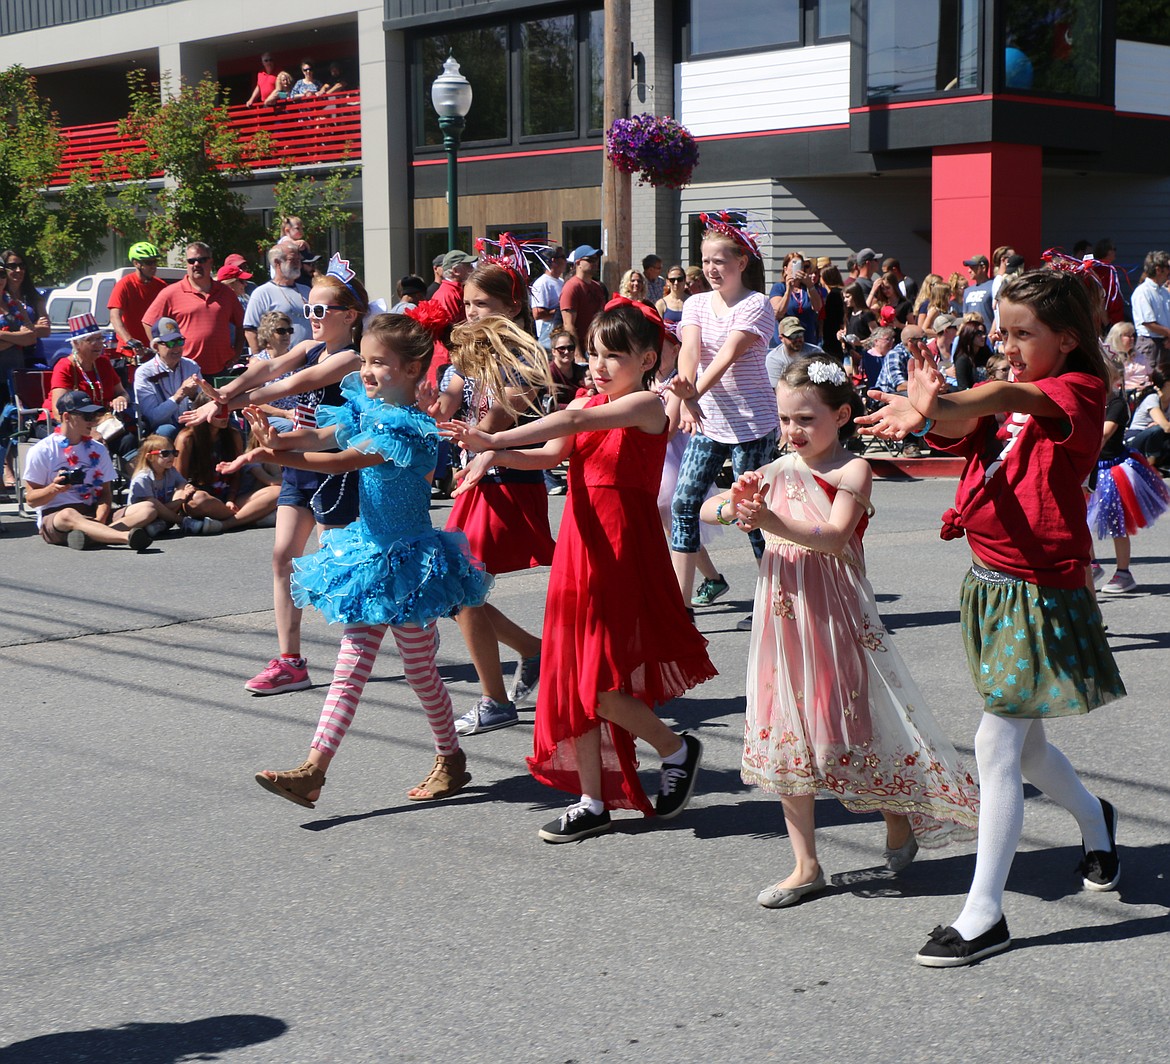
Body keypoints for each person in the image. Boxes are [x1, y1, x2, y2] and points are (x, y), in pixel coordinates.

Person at [859, 267, 1127, 968]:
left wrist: (944, 400)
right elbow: (971, 422)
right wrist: (930, 412)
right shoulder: (1008, 388)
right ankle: (1096, 819)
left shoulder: (1078, 391)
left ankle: (985, 914)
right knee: (1026, 747)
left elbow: (1010, 394)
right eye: (1000, 331)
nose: (1007, 346)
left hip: (1041, 590)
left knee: (996, 746)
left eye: (1022, 334)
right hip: (989, 584)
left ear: (1067, 340)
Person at [701, 357, 978, 907]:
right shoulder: (779, 469)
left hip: (833, 619)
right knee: (785, 732)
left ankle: (897, 816)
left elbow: (831, 537)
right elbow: (710, 508)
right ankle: (805, 865)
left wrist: (765, 518)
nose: (792, 431)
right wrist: (737, 502)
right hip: (781, 618)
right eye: (784, 419)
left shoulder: (853, 470)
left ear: (842, 415)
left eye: (805, 418)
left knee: (842, 733)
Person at [442, 300, 714, 842]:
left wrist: (494, 439)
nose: (599, 364)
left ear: (645, 359)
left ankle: (676, 749)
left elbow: (570, 419)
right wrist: (492, 459)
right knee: (571, 679)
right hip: (580, 549)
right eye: (594, 354)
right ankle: (592, 800)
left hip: (621, 553)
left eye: (613, 355)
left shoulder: (646, 405)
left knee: (600, 684)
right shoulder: (596, 397)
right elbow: (550, 454)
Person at [243, 314, 491, 807]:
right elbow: (325, 439)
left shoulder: (410, 431)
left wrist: (275, 458)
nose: (369, 371)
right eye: (366, 360)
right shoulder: (368, 410)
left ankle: (451, 759)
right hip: (366, 556)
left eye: (381, 363)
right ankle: (313, 769)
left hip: (410, 565)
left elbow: (343, 462)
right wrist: (277, 441)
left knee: (421, 672)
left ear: (413, 368)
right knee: (350, 665)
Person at [183, 254, 367, 694]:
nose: (312, 318)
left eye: (320, 311)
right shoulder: (310, 348)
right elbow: (267, 368)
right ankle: (291, 661)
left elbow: (292, 385)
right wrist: (223, 392)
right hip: (297, 464)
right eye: (309, 310)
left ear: (350, 315)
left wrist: (228, 403)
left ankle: (374, 643)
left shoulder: (351, 359)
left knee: (339, 566)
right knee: (283, 556)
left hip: (332, 469)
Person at [434, 256, 555, 733]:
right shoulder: (468, 354)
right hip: (476, 478)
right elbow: (448, 403)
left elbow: (499, 417)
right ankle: (530, 648)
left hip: (508, 479)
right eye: (465, 304)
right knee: (453, 590)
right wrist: (426, 416)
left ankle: (495, 699)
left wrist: (470, 442)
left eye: (481, 304)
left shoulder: (526, 356)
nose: (470, 313)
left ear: (513, 304)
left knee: (459, 587)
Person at [668, 214, 779, 616]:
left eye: (720, 261)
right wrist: (684, 392)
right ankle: (681, 606)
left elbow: (729, 356)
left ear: (741, 263)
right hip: (709, 421)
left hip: (754, 424)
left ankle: (779, 598)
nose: (712, 269)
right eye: (706, 261)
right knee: (683, 503)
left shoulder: (757, 304)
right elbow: (691, 351)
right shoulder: (696, 302)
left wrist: (692, 393)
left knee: (753, 515)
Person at [22, 390, 154, 551]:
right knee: (68, 514)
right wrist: (53, 489)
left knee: (148, 508)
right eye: (86, 417)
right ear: (66, 417)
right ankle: (124, 537)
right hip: (57, 517)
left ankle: (93, 535)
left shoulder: (98, 449)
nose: (92, 422)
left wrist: (99, 518)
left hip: (93, 511)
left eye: (94, 417)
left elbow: (106, 493)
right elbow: (31, 499)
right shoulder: (42, 450)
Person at [1087, 360, 1170, 594]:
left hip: (1113, 469)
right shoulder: (1091, 401)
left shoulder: (1116, 403)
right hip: (1091, 466)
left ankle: (1123, 573)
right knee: (1081, 520)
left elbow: (1103, 434)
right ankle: (1091, 564)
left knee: (1117, 523)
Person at [175, 396, 280, 532]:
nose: (225, 416)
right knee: (197, 501)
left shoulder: (233, 435)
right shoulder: (187, 439)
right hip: (203, 498)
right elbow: (179, 479)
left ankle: (226, 523)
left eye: (227, 411)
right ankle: (247, 517)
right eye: (218, 412)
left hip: (230, 498)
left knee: (277, 492)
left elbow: (236, 476)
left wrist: (230, 499)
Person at [142, 242, 245, 377]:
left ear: (210, 262)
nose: (196, 264)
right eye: (191, 261)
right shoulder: (170, 293)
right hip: (185, 371)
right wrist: (163, 352)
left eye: (202, 260)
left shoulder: (226, 293)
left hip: (222, 369)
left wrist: (237, 353)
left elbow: (242, 324)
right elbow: (148, 322)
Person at [121, 433, 221, 537]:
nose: (171, 457)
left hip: (163, 511)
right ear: (150, 457)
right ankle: (183, 521)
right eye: (165, 454)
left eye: (174, 453)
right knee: (154, 507)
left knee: (181, 490)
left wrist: (186, 488)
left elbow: (183, 484)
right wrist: (181, 500)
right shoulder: (143, 478)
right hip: (144, 514)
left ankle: (161, 525)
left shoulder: (170, 471)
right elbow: (155, 507)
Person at [47, 314, 130, 425]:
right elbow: (59, 412)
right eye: (90, 340)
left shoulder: (103, 363)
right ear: (77, 343)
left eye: (100, 338)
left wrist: (120, 399)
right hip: (69, 424)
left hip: (103, 420)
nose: (98, 343)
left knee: (130, 436)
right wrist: (90, 428)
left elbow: (122, 393)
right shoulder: (65, 366)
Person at [133, 317, 203, 434]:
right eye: (170, 343)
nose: (176, 348)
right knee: (168, 430)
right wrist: (179, 396)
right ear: (156, 347)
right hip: (162, 428)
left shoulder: (191, 366)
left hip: (190, 421)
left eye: (179, 342)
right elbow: (153, 418)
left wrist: (194, 396)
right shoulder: (144, 372)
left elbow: (203, 402)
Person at [243, 245, 311, 353]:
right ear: (277, 263)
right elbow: (250, 330)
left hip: (311, 358)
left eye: (299, 260)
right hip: (281, 362)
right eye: (292, 259)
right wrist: (260, 360)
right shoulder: (262, 293)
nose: (298, 263)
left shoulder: (307, 291)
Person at [108, 242, 168, 362]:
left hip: (155, 351)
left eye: (155, 262)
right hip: (132, 353)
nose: (154, 266)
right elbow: (115, 317)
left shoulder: (161, 286)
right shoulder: (124, 285)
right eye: (149, 262)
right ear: (136, 263)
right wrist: (129, 340)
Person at [1129, 251, 1170, 382]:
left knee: (1165, 382)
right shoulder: (1143, 292)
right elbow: (1148, 323)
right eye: (1168, 268)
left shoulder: (1163, 291)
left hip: (1165, 342)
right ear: (1158, 269)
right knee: (1149, 381)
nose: (1169, 272)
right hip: (1150, 345)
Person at [560, 245, 606, 345]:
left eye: (596, 259)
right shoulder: (571, 287)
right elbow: (568, 324)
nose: (595, 263)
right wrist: (577, 354)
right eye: (590, 260)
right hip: (581, 346)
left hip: (597, 344)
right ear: (578, 262)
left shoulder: (597, 287)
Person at [1126, 369, 1170, 470]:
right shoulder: (1152, 398)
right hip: (1136, 438)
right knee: (1157, 429)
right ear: (1167, 384)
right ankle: (1151, 465)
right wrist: (1164, 424)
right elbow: (1166, 427)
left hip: (1156, 440)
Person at [766, 316, 823, 388]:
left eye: (800, 334)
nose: (798, 339)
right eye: (793, 336)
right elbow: (776, 390)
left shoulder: (816, 352)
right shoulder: (774, 359)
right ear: (781, 338)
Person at [530, 247, 567, 348]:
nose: (566, 260)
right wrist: (563, 311)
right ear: (553, 261)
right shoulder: (542, 283)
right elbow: (537, 313)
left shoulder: (561, 282)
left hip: (561, 336)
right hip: (548, 339)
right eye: (563, 257)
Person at [961, 254, 995, 330]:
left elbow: (998, 314)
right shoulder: (967, 291)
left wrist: (991, 336)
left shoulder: (994, 286)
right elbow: (965, 316)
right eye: (969, 268)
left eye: (973, 267)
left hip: (987, 336)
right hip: (970, 336)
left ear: (983, 268)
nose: (969, 271)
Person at [655, 265, 687, 330]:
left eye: (679, 279)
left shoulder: (691, 301)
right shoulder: (661, 304)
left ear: (684, 280)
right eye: (672, 280)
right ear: (667, 282)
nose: (676, 283)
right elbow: (658, 329)